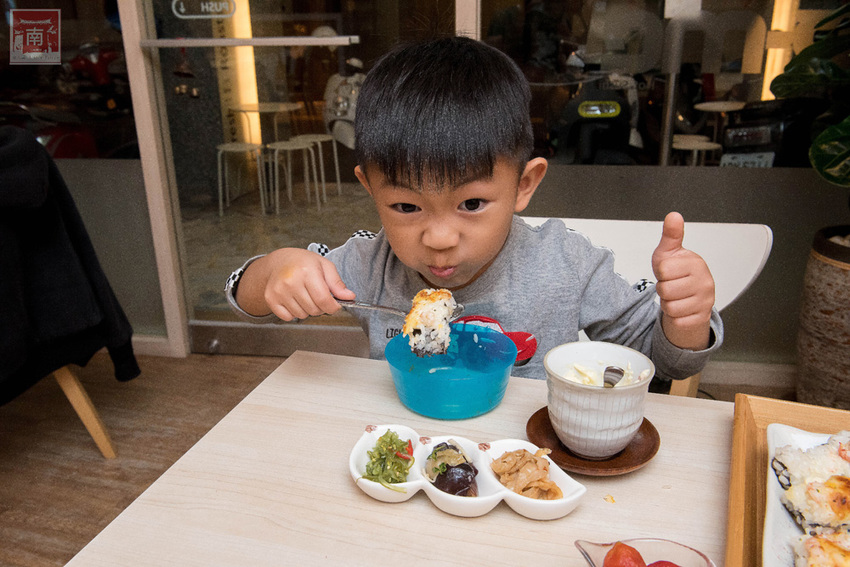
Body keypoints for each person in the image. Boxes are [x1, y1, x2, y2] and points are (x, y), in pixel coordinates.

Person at [225, 35, 722, 391]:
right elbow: (245, 295)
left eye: (471, 204)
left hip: (530, 462)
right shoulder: (368, 265)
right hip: (411, 452)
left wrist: (686, 319)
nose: (440, 237)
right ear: (370, 189)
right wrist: (276, 269)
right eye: (405, 206)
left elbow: (666, 363)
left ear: (524, 185)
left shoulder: (567, 263)